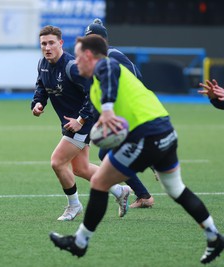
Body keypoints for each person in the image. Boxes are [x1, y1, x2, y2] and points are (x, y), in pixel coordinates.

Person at [49, 35, 224, 265]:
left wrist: (109, 111)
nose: (75, 60)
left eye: (79, 55)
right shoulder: (92, 87)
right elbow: (97, 113)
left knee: (99, 182)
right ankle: (214, 236)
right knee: (176, 189)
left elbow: (108, 78)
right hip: (165, 132)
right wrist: (99, 126)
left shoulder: (107, 64)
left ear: (89, 56)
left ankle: (79, 243)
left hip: (148, 135)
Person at [31, 25, 131, 221]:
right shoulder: (42, 64)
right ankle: (120, 192)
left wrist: (80, 119)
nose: (47, 47)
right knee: (80, 168)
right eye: (43, 43)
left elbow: (93, 93)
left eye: (51, 43)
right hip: (69, 123)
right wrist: (37, 103)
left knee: (57, 162)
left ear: (60, 43)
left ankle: (74, 206)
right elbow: (41, 86)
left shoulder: (72, 66)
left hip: (83, 121)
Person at [84, 18, 155, 209]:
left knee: (108, 153)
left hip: (132, 112)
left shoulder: (113, 54)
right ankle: (143, 192)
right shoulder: (97, 61)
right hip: (117, 113)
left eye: (95, 37)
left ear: (104, 39)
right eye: (88, 38)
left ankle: (144, 192)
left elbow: (136, 78)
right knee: (108, 153)